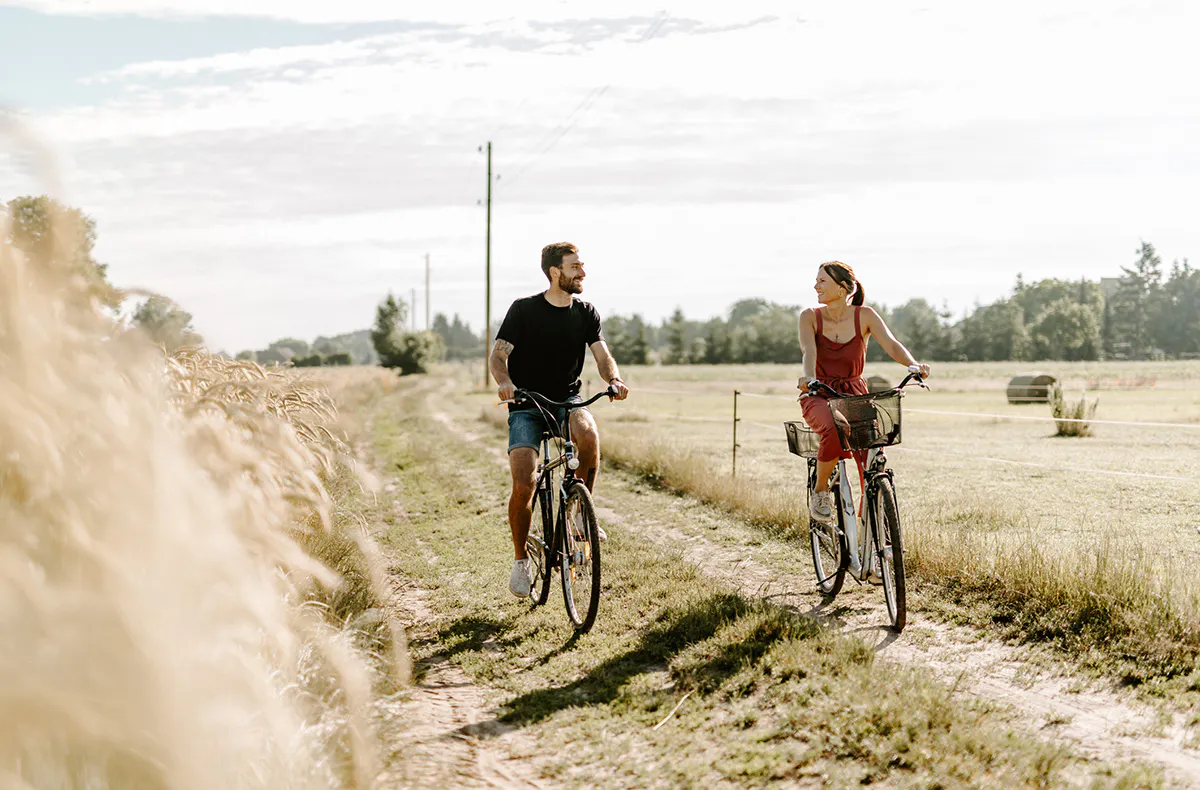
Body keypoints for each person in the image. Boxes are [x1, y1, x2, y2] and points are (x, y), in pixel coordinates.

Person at [489, 242, 630, 598]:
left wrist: (612, 380)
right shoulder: (523, 310)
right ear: (555, 272)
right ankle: (521, 561)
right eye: (574, 267)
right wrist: (505, 382)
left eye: (581, 266)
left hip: (567, 399)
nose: (582, 272)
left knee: (589, 437)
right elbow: (498, 355)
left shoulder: (585, 312)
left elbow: (602, 355)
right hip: (526, 403)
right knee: (524, 481)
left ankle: (580, 516)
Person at [798, 261, 931, 532]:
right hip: (819, 393)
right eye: (817, 281)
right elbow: (808, 352)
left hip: (856, 395)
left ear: (842, 287)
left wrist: (913, 365)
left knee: (873, 456)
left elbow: (891, 344)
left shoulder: (865, 315)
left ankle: (872, 535)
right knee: (835, 428)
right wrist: (809, 378)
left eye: (822, 281)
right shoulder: (810, 316)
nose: (816, 286)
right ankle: (821, 492)